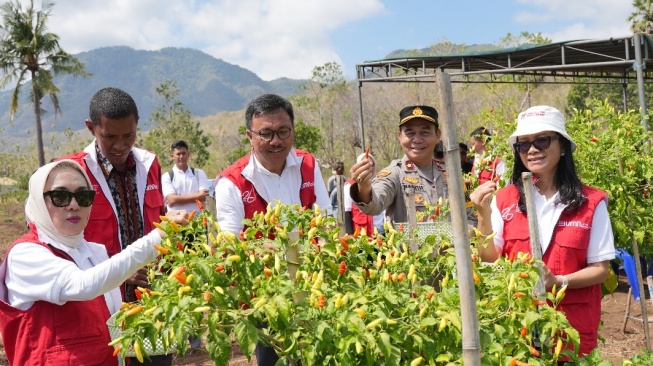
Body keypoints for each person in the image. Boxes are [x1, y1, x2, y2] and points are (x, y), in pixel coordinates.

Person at [0, 160, 187, 366]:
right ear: (38, 202)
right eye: (60, 196)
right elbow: (84, 285)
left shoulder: (93, 253)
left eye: (83, 196)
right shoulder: (25, 254)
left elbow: (113, 325)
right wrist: (156, 237)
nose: (73, 205)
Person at [470, 105, 615, 356]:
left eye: (542, 140)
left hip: (570, 329)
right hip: (517, 327)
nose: (533, 150)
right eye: (524, 144)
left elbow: (601, 271)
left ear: (562, 147)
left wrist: (558, 281)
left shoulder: (591, 202)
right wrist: (483, 215)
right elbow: (489, 259)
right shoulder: (504, 199)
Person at [213, 93, 332, 365]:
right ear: (249, 136)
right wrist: (259, 249)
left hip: (312, 287)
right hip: (265, 296)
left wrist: (325, 245)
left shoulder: (307, 165)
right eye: (266, 133)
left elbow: (324, 219)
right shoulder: (231, 182)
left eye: (283, 131)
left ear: (293, 131)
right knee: (272, 358)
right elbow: (229, 243)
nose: (276, 141)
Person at [60, 87, 171, 366]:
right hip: (102, 307)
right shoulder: (73, 173)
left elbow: (160, 221)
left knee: (157, 360)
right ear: (91, 128)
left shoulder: (150, 164)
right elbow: (58, 247)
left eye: (129, 135)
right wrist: (120, 271)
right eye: (110, 137)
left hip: (152, 301)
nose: (121, 145)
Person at [349, 105, 472, 225]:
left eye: (425, 132)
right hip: (410, 246)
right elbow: (374, 206)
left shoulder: (453, 175)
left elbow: (469, 217)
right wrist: (364, 188)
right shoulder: (394, 174)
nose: (417, 140)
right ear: (400, 137)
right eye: (410, 133)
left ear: (437, 135)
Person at [162, 140, 210, 214]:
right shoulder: (167, 177)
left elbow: (203, 197)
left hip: (198, 220)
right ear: (172, 156)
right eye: (178, 154)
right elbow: (172, 200)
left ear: (188, 154)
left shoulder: (199, 173)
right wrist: (198, 196)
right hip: (176, 221)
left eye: (184, 153)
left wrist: (177, 199)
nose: (181, 156)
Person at [344, 153, 385, 236]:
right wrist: (350, 234)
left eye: (372, 164)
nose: (369, 167)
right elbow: (347, 211)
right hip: (361, 232)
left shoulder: (381, 183)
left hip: (381, 230)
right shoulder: (350, 186)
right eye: (365, 164)